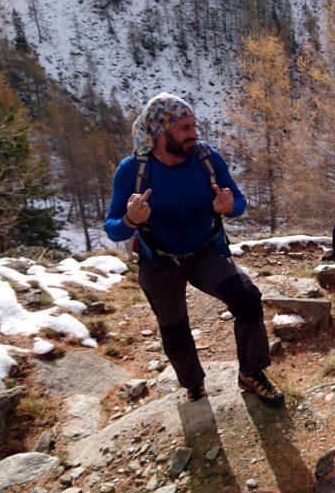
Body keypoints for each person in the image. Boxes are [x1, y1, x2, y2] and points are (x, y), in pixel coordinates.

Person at [103, 92, 284, 407]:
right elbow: (112, 226)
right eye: (185, 128)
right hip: (158, 261)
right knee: (174, 327)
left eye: (194, 125)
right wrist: (130, 220)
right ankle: (194, 385)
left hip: (204, 252)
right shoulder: (132, 170)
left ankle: (251, 373)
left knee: (247, 299)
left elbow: (238, 201)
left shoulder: (206, 159)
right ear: (161, 133)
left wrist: (229, 207)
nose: (194, 134)